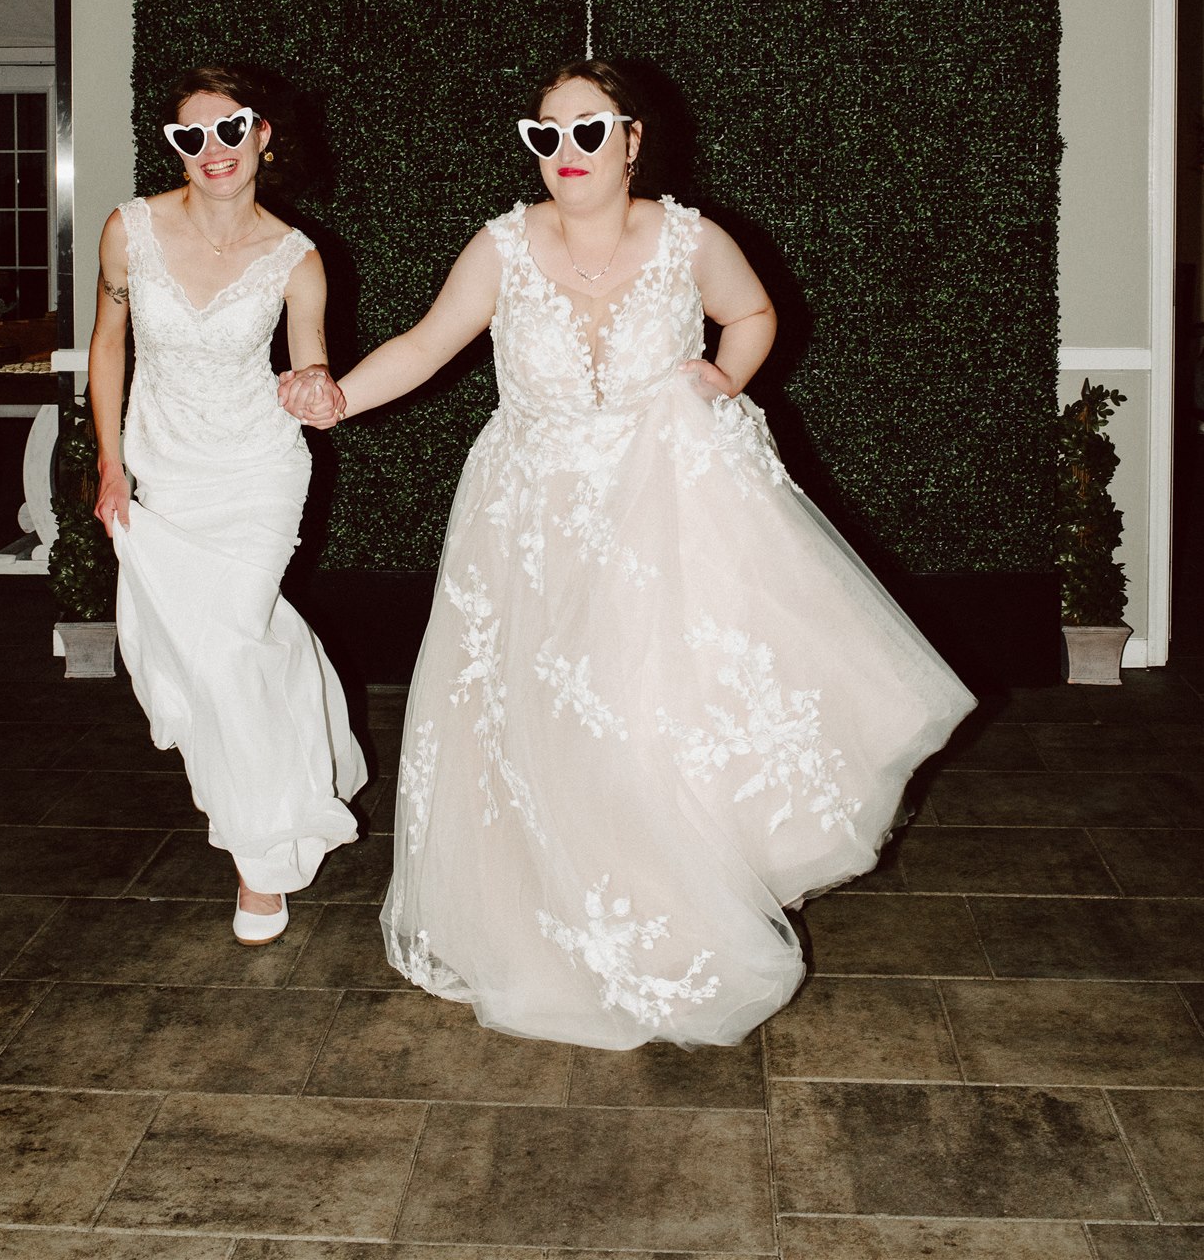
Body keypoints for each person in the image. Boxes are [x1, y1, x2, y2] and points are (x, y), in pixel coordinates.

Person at [285, 57, 975, 1046]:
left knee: (651, 714)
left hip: (670, 515)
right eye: (547, 133)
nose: (566, 151)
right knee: (546, 722)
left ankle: (671, 923)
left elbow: (755, 314)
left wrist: (723, 374)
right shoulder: (500, 247)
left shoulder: (689, 237)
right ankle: (553, 928)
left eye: (588, 129)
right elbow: (428, 342)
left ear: (631, 138)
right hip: (531, 523)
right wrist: (339, 395)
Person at [89, 65, 366, 945]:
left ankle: (259, 864)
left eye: (231, 128)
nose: (213, 150)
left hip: (256, 471)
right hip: (163, 469)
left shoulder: (296, 256)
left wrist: (315, 386)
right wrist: (108, 463)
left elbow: (307, 361)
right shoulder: (128, 231)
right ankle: (306, 750)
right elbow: (107, 345)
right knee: (211, 658)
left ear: (264, 136)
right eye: (191, 136)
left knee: (231, 653)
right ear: (173, 147)